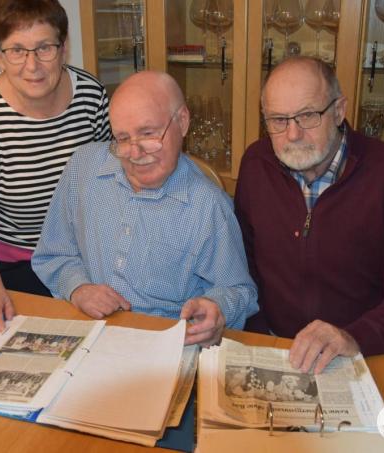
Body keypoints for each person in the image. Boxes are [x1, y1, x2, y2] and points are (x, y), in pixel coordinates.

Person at [234, 57, 384, 374]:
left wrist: (353, 337)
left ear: (338, 110)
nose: (292, 134)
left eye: (308, 115)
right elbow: (243, 262)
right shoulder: (256, 164)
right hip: (277, 345)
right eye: (278, 120)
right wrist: (261, 335)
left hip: (364, 351)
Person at [31, 71, 258, 346]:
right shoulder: (83, 167)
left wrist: (218, 308)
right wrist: (78, 288)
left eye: (148, 134)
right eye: (123, 139)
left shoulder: (208, 206)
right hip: (86, 337)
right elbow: (52, 253)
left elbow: (239, 290)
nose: (135, 154)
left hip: (162, 347)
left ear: (182, 122)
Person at [0, 0, 111, 335]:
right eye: (17, 50)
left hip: (86, 256)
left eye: (44, 48)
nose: (32, 65)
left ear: (64, 47)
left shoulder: (91, 96)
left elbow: (113, 178)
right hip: (15, 265)